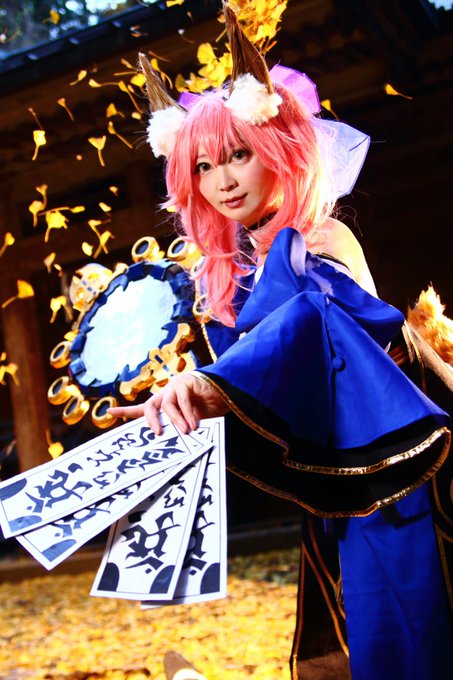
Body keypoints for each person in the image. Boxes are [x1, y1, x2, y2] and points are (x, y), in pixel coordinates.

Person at [108, 5, 453, 679]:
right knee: (367, 628)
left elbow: (315, 325)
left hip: (400, 468)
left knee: (412, 632)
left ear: (281, 148)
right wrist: (182, 396)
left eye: (239, 155)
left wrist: (214, 384)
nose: (223, 180)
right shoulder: (245, 263)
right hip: (347, 476)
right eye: (204, 166)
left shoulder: (322, 238)